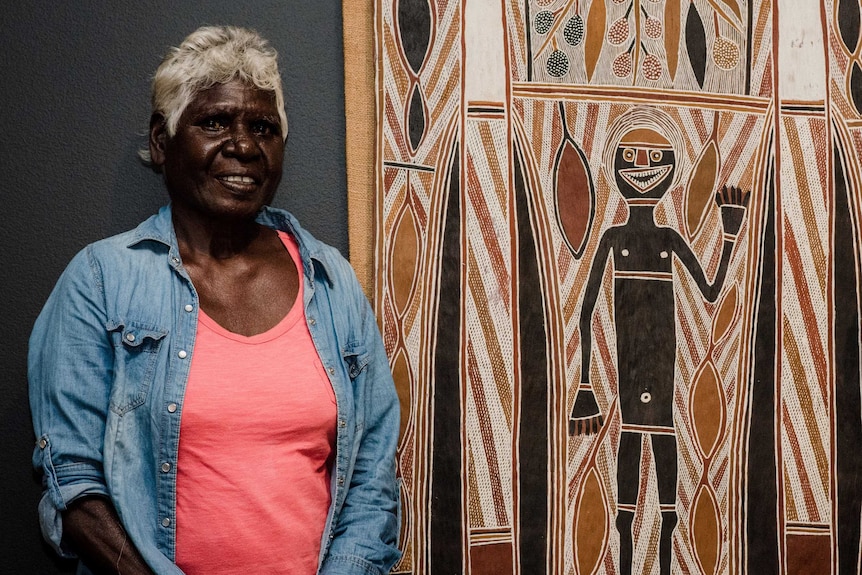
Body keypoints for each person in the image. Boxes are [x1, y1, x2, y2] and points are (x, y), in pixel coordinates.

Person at [29, 25, 401, 575]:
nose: (244, 146)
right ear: (162, 141)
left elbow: (372, 476)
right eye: (214, 122)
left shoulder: (331, 281)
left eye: (263, 128)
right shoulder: (102, 281)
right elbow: (73, 483)